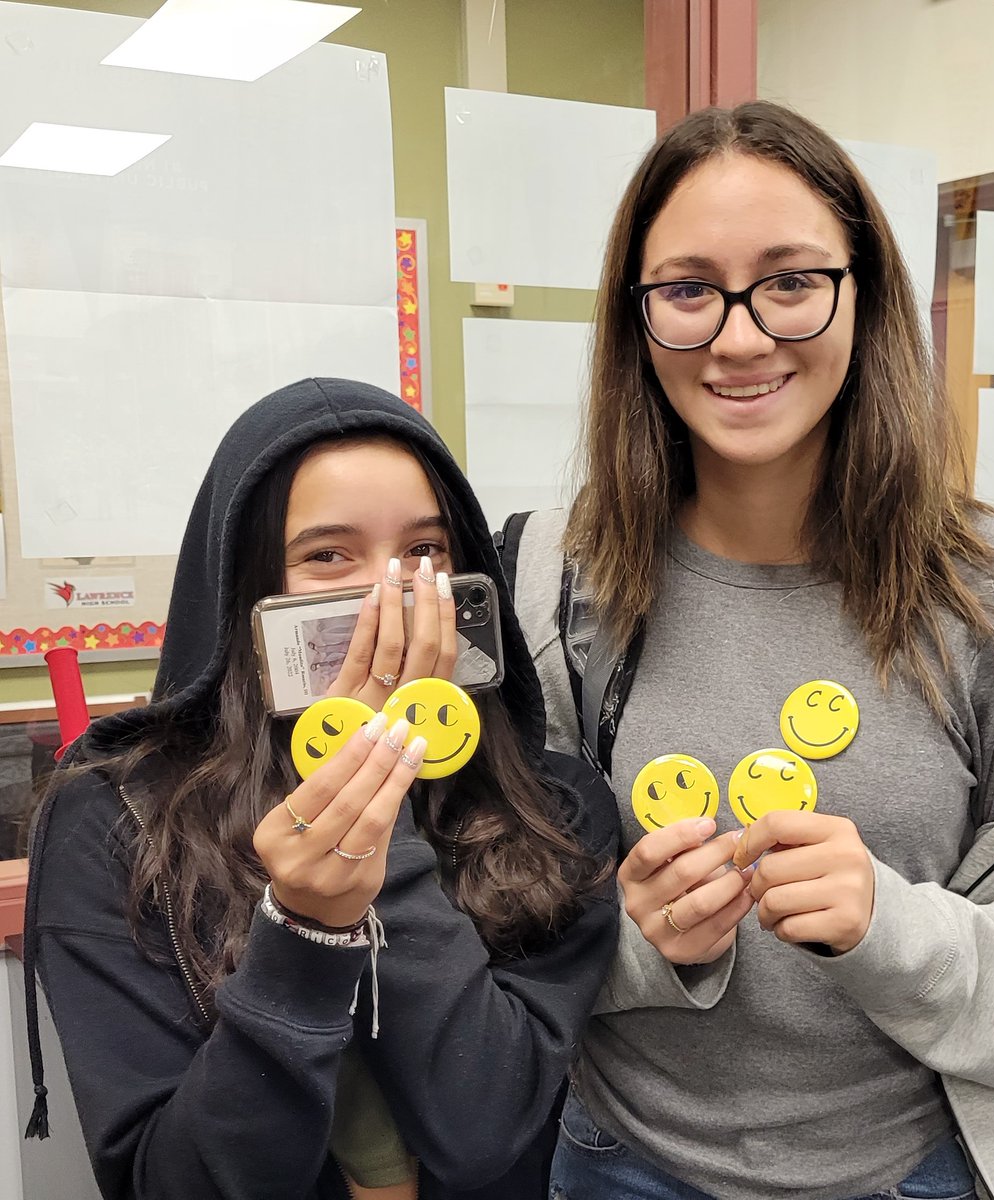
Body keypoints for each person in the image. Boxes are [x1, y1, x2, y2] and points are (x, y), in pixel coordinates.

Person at [510, 102, 994, 1200]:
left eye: (790, 280)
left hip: (909, 1172)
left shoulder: (991, 597)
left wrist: (891, 927)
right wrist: (640, 938)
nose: (739, 338)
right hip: (616, 1166)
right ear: (636, 320)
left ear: (865, 294)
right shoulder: (565, 587)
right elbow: (510, 927)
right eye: (689, 290)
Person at [23, 378, 619, 1200]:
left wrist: (387, 823)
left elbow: (481, 1130)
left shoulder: (552, 810)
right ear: (242, 589)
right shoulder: (120, 818)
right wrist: (302, 934)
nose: (391, 596)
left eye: (426, 552)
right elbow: (170, 1183)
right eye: (326, 556)